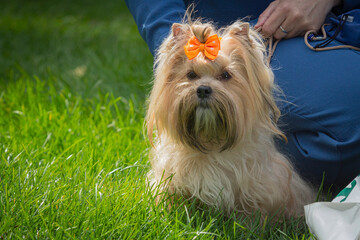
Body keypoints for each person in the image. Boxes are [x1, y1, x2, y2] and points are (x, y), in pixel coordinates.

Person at [125, 0, 360, 189]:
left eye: (224, 77)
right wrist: (174, 44)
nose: (204, 87)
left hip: (318, 30)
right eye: (193, 76)